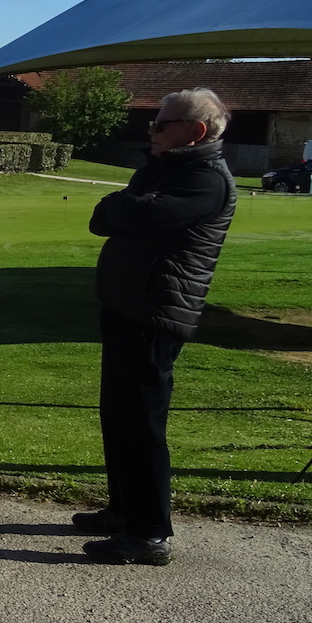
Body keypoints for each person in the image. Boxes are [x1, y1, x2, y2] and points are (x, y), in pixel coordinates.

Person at [78, 88, 235, 565]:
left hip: (155, 312)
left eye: (162, 124)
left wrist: (125, 204)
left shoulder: (205, 180)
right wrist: (125, 203)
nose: (152, 130)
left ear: (196, 132)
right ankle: (125, 510)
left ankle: (149, 532)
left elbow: (133, 211)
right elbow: (103, 218)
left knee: (142, 421)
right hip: (128, 306)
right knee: (118, 414)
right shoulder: (166, 170)